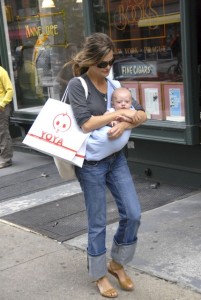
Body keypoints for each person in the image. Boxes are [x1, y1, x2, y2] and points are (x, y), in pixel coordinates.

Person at [66, 33, 147, 298]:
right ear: (90, 61)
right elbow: (85, 123)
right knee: (98, 221)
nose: (107, 68)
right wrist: (116, 114)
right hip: (91, 165)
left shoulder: (115, 86)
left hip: (117, 160)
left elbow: (142, 113)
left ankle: (117, 263)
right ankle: (99, 274)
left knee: (133, 214)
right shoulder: (78, 85)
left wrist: (125, 122)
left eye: (110, 62)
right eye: (102, 63)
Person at [85, 87, 134, 161]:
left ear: (131, 102)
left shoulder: (131, 111)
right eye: (119, 102)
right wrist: (110, 121)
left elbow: (137, 119)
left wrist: (124, 122)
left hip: (117, 155)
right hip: (97, 152)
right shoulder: (112, 111)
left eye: (127, 102)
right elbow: (104, 118)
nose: (123, 104)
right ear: (113, 104)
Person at [0, 61, 14, 169]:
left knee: (3, 133)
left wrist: (2, 104)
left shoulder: (1, 71)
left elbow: (10, 90)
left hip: (2, 108)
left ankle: (6, 159)